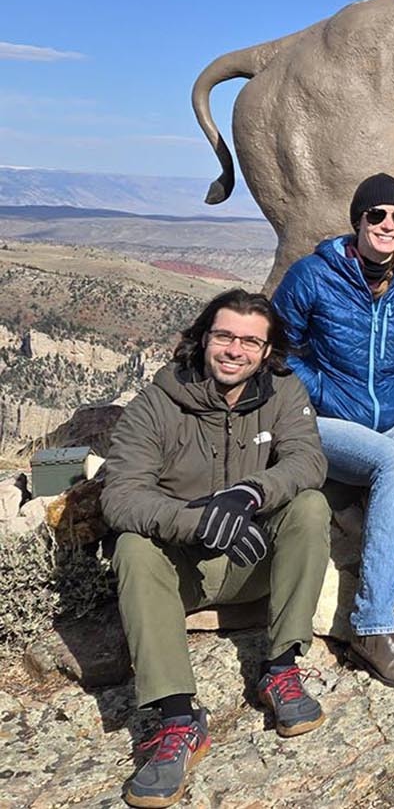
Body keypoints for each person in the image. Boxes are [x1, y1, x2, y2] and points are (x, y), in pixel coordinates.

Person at [101, 289, 330, 808]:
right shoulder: (158, 403)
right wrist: (197, 521)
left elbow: (307, 461)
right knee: (133, 546)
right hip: (184, 574)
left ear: (267, 351)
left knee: (310, 506)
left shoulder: (283, 392)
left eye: (251, 341)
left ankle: (281, 669)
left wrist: (251, 492)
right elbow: (120, 496)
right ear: (204, 339)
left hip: (254, 561)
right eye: (225, 336)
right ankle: (178, 719)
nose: (236, 350)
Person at [272, 172, 394, 691]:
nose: (388, 224)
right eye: (376, 215)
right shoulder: (312, 275)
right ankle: (373, 627)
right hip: (323, 418)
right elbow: (280, 353)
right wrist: (331, 395)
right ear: (357, 220)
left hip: (388, 413)